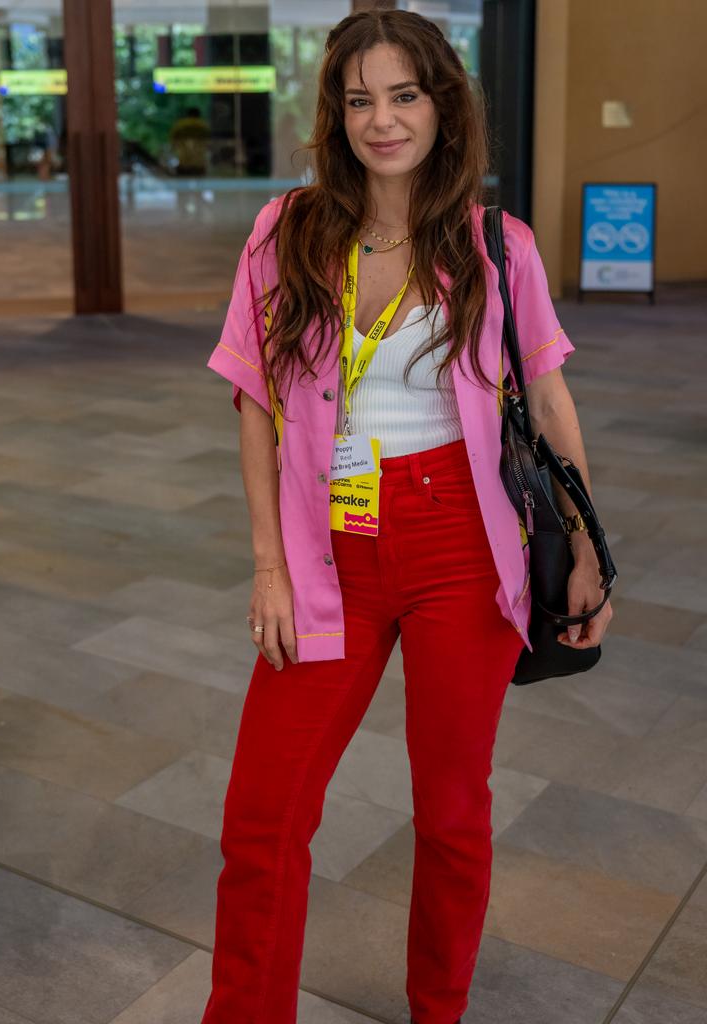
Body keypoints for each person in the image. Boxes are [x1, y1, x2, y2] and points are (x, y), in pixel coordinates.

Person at [202, 9, 612, 1024]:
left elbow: (550, 402)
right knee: (263, 815)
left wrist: (587, 547)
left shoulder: (496, 246)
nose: (382, 120)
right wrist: (268, 565)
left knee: (452, 813)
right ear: (336, 115)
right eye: (359, 100)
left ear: (443, 103)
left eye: (404, 95)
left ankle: (439, 1007)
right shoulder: (286, 231)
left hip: (460, 540)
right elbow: (254, 403)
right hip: (324, 545)